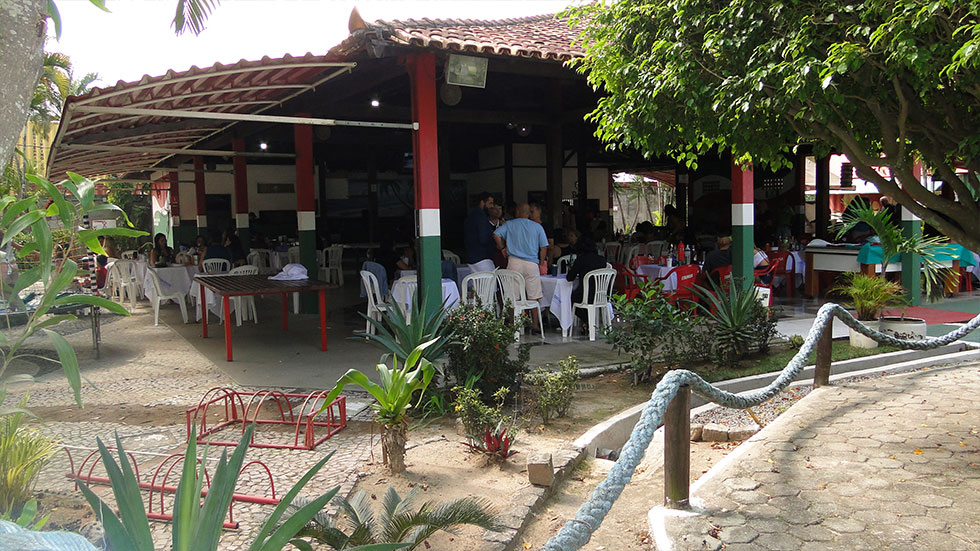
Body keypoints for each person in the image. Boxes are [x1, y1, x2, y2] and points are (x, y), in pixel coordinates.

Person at [493, 203, 548, 329]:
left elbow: (496, 234)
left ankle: (513, 324)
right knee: (534, 296)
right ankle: (535, 325)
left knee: (512, 296)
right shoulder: (537, 226)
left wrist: (502, 248)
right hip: (531, 264)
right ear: (528, 213)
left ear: (518, 212)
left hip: (514, 262)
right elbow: (544, 247)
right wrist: (541, 262)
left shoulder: (510, 224)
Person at [565, 236, 608, 326]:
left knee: (568, 299)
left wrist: (571, 269)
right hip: (601, 294)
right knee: (580, 297)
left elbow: (570, 278)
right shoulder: (602, 260)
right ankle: (588, 322)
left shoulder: (581, 260)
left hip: (585, 294)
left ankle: (587, 320)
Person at [463, 192, 496, 264]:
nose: (492, 206)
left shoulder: (472, 215)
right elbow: (484, 238)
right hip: (482, 258)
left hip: (472, 257)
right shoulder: (481, 217)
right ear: (482, 202)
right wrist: (493, 238)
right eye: (490, 203)